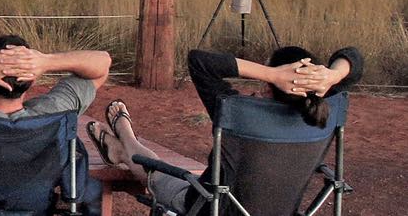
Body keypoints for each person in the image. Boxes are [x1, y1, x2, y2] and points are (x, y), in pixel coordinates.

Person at [85, 46, 363, 214]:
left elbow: (199, 61)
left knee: (155, 170)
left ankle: (125, 141)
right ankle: (122, 142)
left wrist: (272, 74)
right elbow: (354, 57)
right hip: (282, 211)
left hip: (205, 205)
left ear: (269, 86)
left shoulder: (240, 112)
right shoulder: (324, 113)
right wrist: (333, 75)